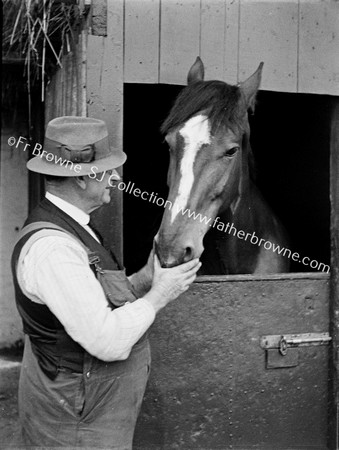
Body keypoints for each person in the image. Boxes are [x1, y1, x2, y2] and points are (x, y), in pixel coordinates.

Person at [11, 116, 201, 449]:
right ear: (83, 179)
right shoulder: (54, 249)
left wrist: (145, 278)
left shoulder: (76, 226)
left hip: (86, 407)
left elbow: (91, 297)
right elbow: (106, 340)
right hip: (76, 415)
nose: (115, 178)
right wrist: (159, 295)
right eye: (107, 170)